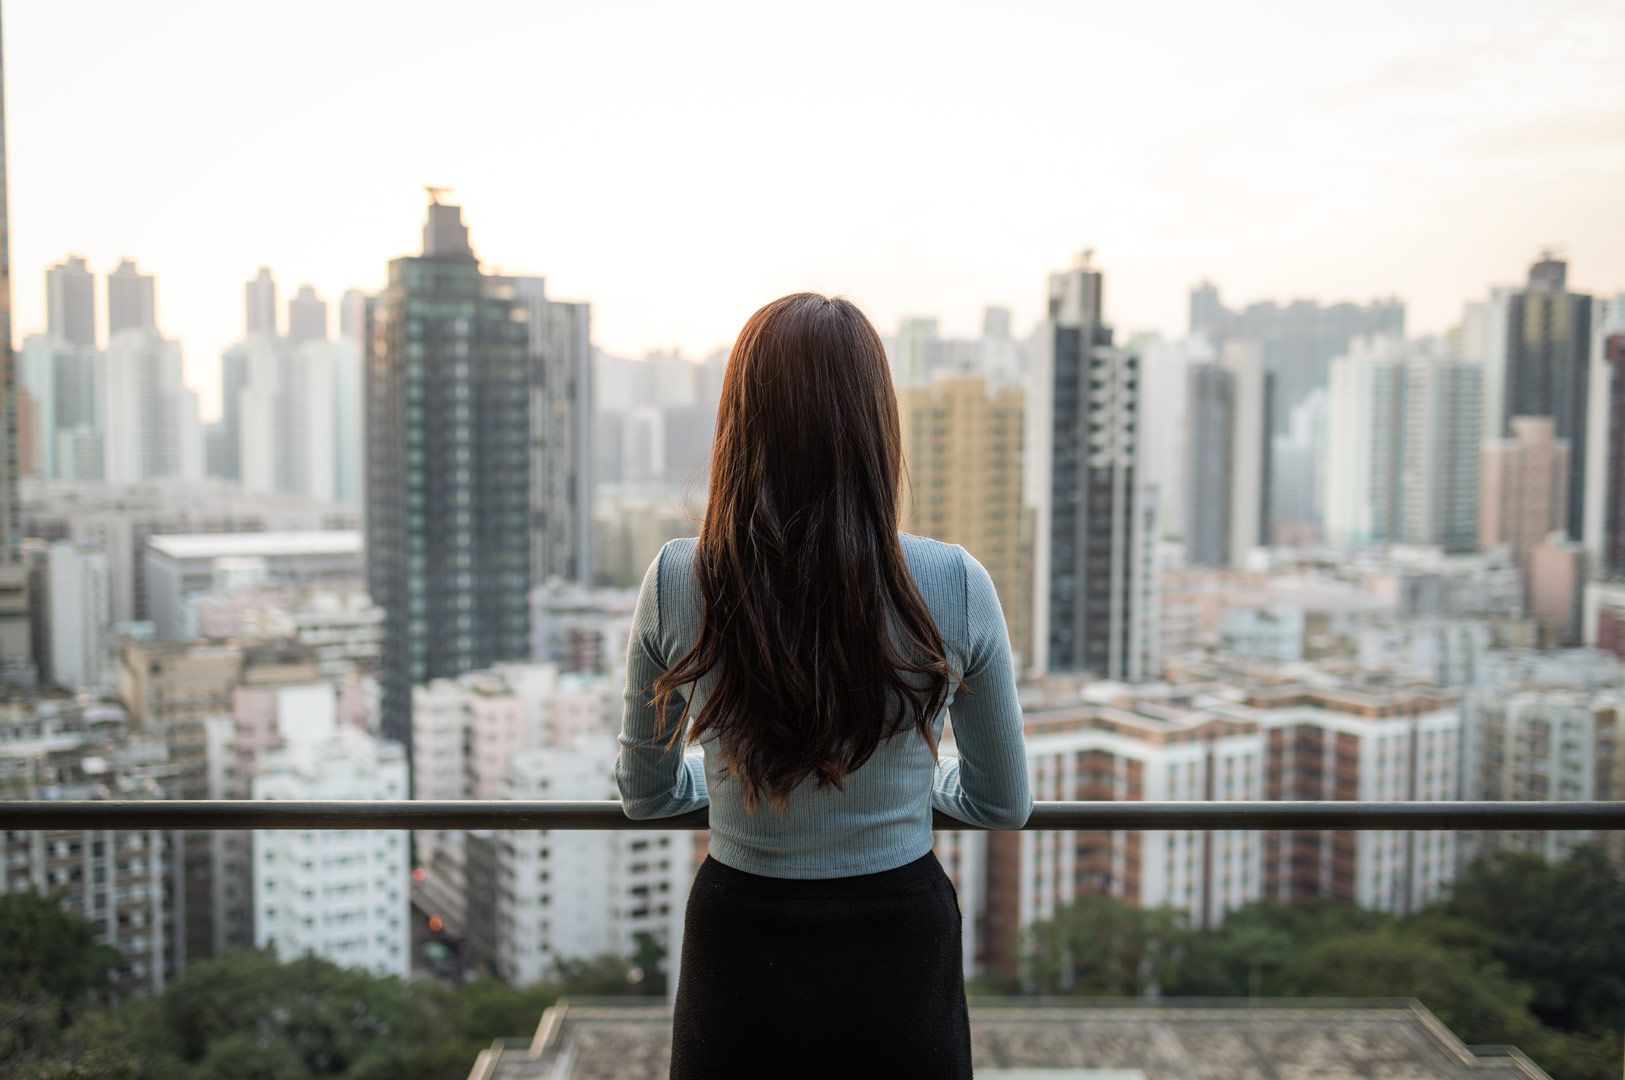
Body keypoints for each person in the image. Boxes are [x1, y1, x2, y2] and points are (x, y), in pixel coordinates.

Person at [615, 292, 1032, 1079]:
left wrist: (735, 772)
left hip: (740, 942)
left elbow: (644, 793)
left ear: (740, 422)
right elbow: (1000, 802)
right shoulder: (954, 582)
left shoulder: (677, 578)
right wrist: (903, 784)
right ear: (878, 424)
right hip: (897, 943)